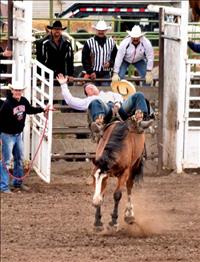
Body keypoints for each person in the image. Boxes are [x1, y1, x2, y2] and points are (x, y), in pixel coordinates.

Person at [56, 73, 153, 139]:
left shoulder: (109, 93)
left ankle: (140, 121)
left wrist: (118, 104)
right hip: (106, 113)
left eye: (91, 86)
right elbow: (70, 101)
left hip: (120, 109)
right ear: (87, 94)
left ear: (96, 87)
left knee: (139, 95)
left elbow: (118, 96)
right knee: (95, 102)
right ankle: (98, 124)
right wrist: (63, 85)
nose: (90, 88)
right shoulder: (89, 100)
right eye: (88, 89)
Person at [0, 81, 50, 193]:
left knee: (19, 159)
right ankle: (3, 186)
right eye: (16, 90)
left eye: (19, 90)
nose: (17, 92)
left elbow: (30, 109)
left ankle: (18, 183)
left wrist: (42, 109)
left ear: (22, 91)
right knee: (6, 161)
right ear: (12, 91)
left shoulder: (23, 101)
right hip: (7, 135)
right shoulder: (7, 104)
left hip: (17, 135)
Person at [82, 20, 118, 86]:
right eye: (99, 30)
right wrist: (90, 72)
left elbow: (115, 57)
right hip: (93, 73)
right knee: (93, 93)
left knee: (105, 92)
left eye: (103, 30)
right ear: (96, 30)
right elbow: (85, 58)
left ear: (106, 30)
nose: (101, 32)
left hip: (105, 73)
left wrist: (110, 63)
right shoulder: (89, 42)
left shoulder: (111, 42)